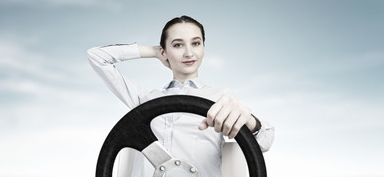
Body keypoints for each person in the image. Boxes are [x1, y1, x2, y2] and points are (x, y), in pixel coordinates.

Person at [87, 15, 274, 177]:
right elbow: (97, 57)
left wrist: (249, 121)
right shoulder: (145, 100)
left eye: (196, 43)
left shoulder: (221, 98)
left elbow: (265, 141)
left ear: (203, 47)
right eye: (177, 45)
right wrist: (153, 51)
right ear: (164, 51)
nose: (189, 53)